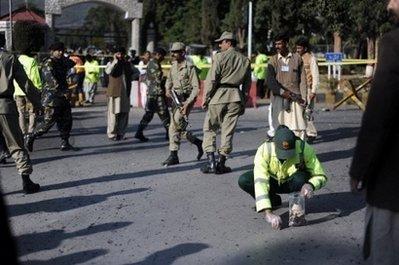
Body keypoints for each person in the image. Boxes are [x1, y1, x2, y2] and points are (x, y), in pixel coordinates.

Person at [350, 1, 399, 263]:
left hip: (393, 184)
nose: (389, 4)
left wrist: (359, 168)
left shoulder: (394, 43)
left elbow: (379, 112)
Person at [238, 125, 327, 230]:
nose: (285, 157)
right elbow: (260, 180)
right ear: (274, 144)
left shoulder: (304, 147)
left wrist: (311, 185)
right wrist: (268, 213)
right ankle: (272, 200)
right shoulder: (264, 149)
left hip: (293, 183)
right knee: (245, 180)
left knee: (301, 178)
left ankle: (296, 206)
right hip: (272, 182)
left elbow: (321, 175)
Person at [201, 31, 251, 174]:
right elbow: (247, 85)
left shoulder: (219, 57)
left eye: (221, 42)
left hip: (219, 96)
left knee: (210, 128)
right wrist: (243, 100)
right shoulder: (245, 60)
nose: (219, 44)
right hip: (235, 97)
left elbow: (211, 79)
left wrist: (205, 98)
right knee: (228, 131)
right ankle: (221, 163)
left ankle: (211, 163)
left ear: (228, 42)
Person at [0, 35, 41, 193]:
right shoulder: (9, 58)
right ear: (3, 42)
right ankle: (26, 181)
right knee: (16, 144)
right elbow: (25, 83)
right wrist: (37, 103)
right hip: (5, 106)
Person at [26, 42, 78, 152]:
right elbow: (51, 81)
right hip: (51, 98)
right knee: (47, 123)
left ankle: (65, 142)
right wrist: (62, 92)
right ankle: (31, 136)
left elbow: (71, 64)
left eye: (62, 50)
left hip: (63, 96)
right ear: (52, 51)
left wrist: (67, 56)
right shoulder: (48, 63)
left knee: (67, 120)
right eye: (58, 50)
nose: (60, 52)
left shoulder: (62, 61)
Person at [162, 42, 203, 166]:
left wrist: (188, 103)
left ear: (183, 52)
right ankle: (198, 143)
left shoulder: (190, 67)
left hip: (186, 100)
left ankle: (173, 155)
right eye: (172, 52)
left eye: (176, 52)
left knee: (173, 126)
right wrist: (167, 89)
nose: (173, 54)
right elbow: (169, 80)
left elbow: (196, 88)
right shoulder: (173, 65)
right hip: (175, 99)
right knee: (179, 127)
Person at [266, 33, 307, 139]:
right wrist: (283, 93)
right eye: (276, 44)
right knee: (279, 129)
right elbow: (270, 81)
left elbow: (303, 80)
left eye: (279, 44)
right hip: (278, 99)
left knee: (298, 129)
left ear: (286, 44)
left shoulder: (297, 59)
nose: (277, 47)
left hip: (296, 99)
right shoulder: (273, 60)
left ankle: (299, 154)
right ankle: (282, 154)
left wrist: (304, 98)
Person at [134, 48, 170, 142]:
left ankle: (139, 132)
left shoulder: (154, 63)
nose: (163, 58)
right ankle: (169, 133)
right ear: (158, 55)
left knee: (150, 114)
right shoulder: (154, 63)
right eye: (162, 56)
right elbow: (158, 79)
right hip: (156, 93)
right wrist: (167, 79)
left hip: (153, 93)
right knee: (164, 113)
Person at [105, 47, 133, 141]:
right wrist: (115, 62)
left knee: (124, 113)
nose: (120, 56)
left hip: (125, 93)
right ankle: (112, 134)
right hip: (114, 93)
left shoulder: (127, 64)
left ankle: (121, 133)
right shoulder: (111, 63)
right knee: (113, 114)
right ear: (114, 54)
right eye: (118, 54)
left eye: (121, 54)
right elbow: (108, 71)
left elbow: (135, 73)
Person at [296, 36, 319, 143]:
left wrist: (313, 91)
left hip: (309, 90)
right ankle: (302, 133)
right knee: (299, 112)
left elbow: (315, 76)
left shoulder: (311, 58)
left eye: (299, 48)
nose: (297, 50)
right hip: (298, 90)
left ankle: (311, 133)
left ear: (305, 48)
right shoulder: (295, 58)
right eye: (297, 48)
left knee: (307, 112)